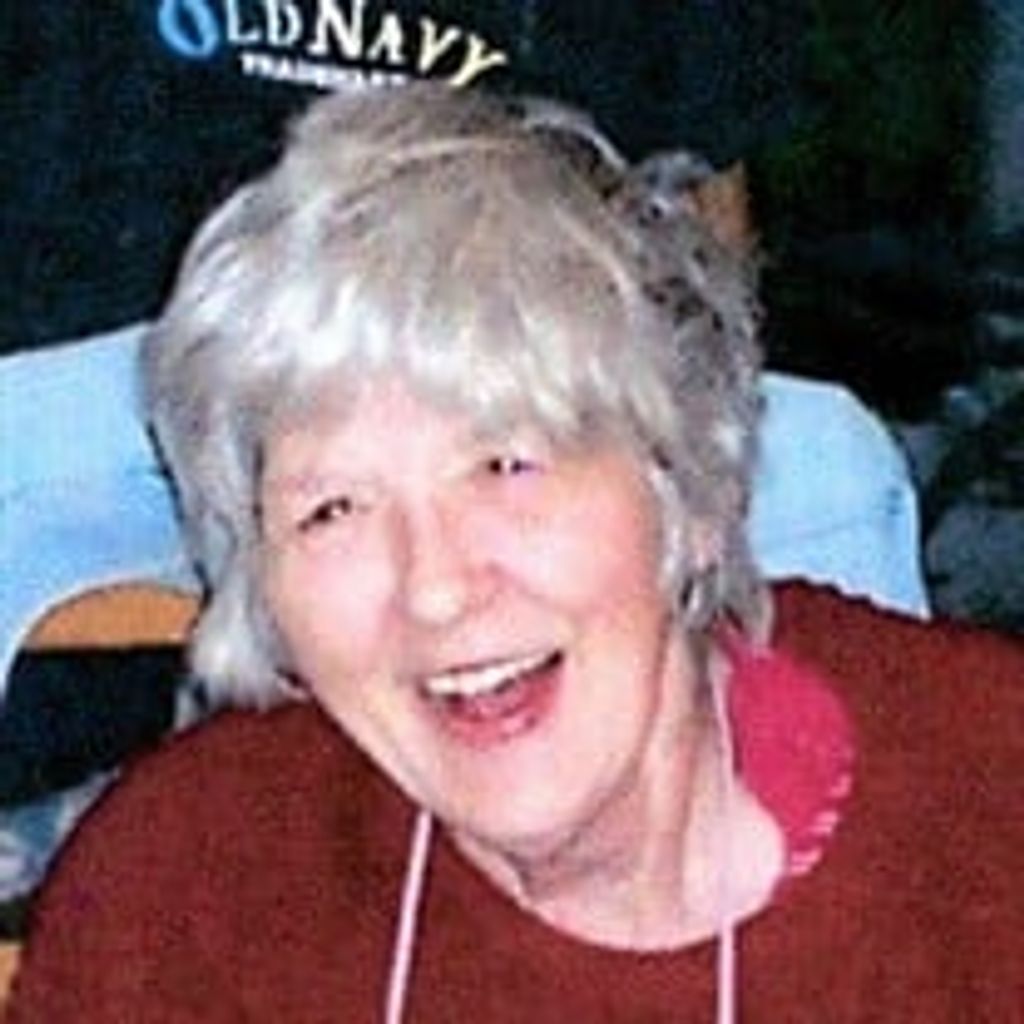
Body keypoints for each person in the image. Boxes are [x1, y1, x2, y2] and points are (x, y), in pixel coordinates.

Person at [6, 85, 1019, 1023]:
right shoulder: (178, 905)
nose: (436, 588)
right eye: (332, 510)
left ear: (688, 489)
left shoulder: (990, 811)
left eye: (503, 464)